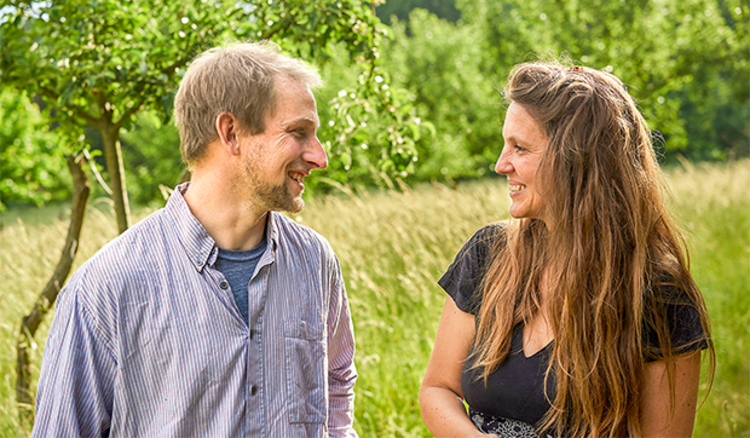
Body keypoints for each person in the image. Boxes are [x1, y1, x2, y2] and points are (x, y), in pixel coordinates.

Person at [31, 42, 358, 437]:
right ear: (231, 133)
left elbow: (336, 382)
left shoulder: (314, 261)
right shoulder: (104, 290)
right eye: (298, 133)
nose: (320, 157)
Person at [420, 61, 715, 438]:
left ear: (576, 161)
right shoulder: (488, 254)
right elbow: (438, 388)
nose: (500, 164)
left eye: (520, 148)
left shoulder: (657, 294)